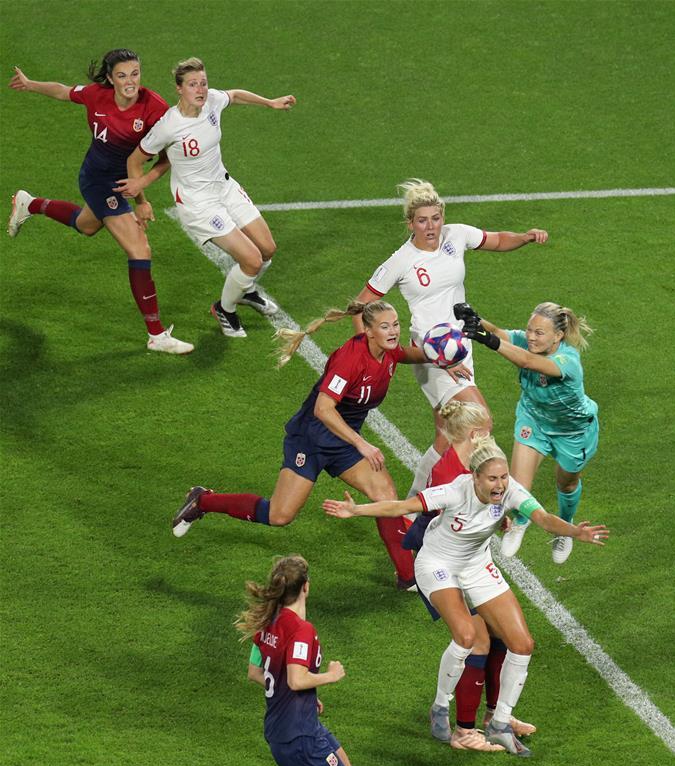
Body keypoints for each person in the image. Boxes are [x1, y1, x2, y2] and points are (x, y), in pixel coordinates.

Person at [323, 437, 609, 756]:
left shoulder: (511, 490)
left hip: (476, 565)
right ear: (475, 477)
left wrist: (575, 532)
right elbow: (402, 507)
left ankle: (499, 723)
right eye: (493, 479)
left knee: (523, 644)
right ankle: (441, 708)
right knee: (466, 636)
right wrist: (356, 510)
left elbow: (542, 519)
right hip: (437, 564)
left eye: (503, 477)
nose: (500, 485)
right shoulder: (455, 491)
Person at [171, 300, 469, 589]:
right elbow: (323, 409)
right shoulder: (349, 360)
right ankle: (202, 500)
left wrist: (443, 361)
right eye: (384, 327)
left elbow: (406, 354)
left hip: (342, 440)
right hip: (311, 438)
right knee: (280, 515)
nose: (393, 332)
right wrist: (362, 445)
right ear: (368, 331)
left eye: (396, 325)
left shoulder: (388, 352)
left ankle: (408, 576)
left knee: (384, 493)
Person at [354, 178, 548, 498]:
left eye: (435, 218)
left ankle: (414, 507)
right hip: (430, 354)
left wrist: (525, 237)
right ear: (410, 223)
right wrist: (365, 352)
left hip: (460, 348)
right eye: (422, 220)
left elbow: (497, 240)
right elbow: (360, 307)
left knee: (446, 437)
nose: (430, 227)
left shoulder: (455, 235)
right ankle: (489, 502)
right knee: (479, 422)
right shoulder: (401, 261)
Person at [7, 50, 193, 354]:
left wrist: (142, 190)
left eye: (135, 73)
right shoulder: (97, 95)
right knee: (139, 249)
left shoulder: (155, 108)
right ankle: (157, 335)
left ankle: (31, 204)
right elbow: (63, 91)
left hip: (124, 183)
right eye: (122, 75)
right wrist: (30, 84)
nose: (130, 81)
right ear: (110, 79)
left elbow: (166, 158)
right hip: (97, 179)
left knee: (87, 225)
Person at [118, 56, 295, 338]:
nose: (200, 90)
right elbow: (134, 161)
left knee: (266, 251)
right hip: (198, 204)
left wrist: (270, 102)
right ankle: (225, 309)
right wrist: (141, 201)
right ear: (179, 89)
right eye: (192, 85)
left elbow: (234, 95)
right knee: (251, 261)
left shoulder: (211, 101)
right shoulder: (168, 126)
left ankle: (245, 290)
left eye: (203, 83)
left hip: (225, 188)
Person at [402, 399, 535, 751]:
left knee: (501, 634)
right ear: (476, 434)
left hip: (471, 561)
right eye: (488, 430)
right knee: (476, 640)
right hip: (442, 564)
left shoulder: (475, 467)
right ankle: (463, 730)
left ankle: (494, 717)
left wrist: (499, 515)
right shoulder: (452, 475)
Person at [235, 554, 357, 766]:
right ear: (306, 587)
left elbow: (256, 674)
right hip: (297, 736)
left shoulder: (268, 622)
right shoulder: (301, 629)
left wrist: (301, 697)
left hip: (292, 724)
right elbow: (297, 677)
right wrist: (330, 677)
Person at [457, 300, 598, 564]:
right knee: (517, 486)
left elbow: (528, 361)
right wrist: (476, 319)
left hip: (573, 432)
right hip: (533, 420)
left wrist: (488, 340)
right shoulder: (529, 341)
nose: (531, 337)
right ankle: (521, 522)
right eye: (530, 330)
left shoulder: (567, 361)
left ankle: (564, 528)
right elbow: (499, 333)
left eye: (539, 333)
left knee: (566, 483)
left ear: (558, 336)